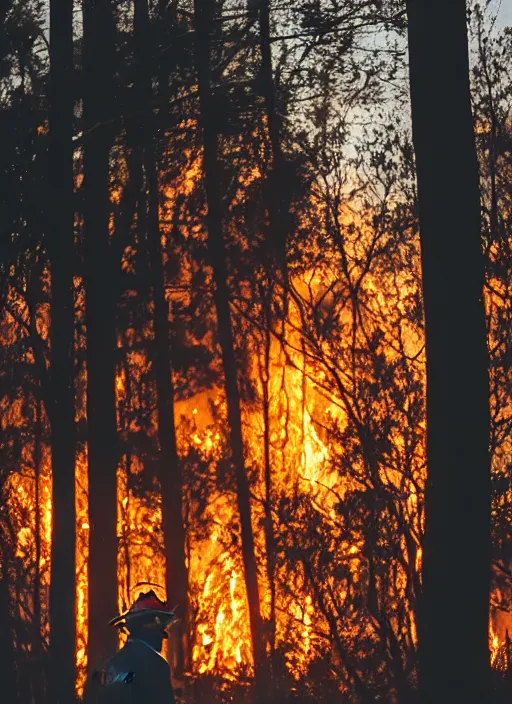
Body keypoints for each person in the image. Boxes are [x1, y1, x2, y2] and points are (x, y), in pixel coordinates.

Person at [82, 590, 177, 704]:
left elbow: (127, 682)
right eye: (161, 631)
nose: (162, 638)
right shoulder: (156, 665)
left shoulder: (113, 663)